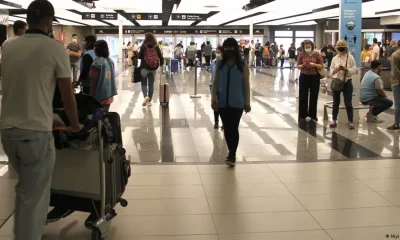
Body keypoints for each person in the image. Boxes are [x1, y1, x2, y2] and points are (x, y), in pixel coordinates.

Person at [0, 1, 82, 239]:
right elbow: (68, 96)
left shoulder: (9, 45)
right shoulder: (55, 48)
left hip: (7, 133)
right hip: (35, 134)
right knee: (34, 199)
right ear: (49, 22)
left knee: (26, 191)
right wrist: (75, 125)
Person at [211, 38, 251, 166]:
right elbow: (215, 82)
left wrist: (247, 102)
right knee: (227, 128)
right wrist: (213, 99)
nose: (229, 49)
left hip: (237, 102)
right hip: (222, 101)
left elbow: (246, 85)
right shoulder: (219, 64)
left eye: (231, 47)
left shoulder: (242, 64)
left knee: (233, 127)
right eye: (226, 47)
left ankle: (232, 153)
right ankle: (231, 151)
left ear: (236, 48)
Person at [329, 40, 357, 130]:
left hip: (347, 82)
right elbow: (331, 71)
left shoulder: (351, 57)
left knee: (348, 103)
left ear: (346, 47)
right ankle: (334, 120)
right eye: (339, 45)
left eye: (342, 45)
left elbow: (354, 69)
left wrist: (346, 69)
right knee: (335, 102)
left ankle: (351, 121)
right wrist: (336, 70)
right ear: (336, 47)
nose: (341, 47)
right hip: (337, 81)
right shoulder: (335, 58)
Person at [297, 39, 324, 122]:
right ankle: (302, 114)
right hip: (304, 76)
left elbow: (321, 66)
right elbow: (298, 66)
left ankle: (313, 115)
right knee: (303, 95)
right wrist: (303, 65)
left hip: (314, 77)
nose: (307, 48)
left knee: (314, 96)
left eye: (309, 47)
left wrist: (314, 65)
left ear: (312, 46)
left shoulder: (316, 54)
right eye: (306, 47)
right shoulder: (301, 54)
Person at [89, 40, 117, 112]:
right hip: (109, 95)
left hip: (99, 96)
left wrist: (90, 95)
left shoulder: (97, 63)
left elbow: (94, 81)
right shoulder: (110, 61)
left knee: (98, 117)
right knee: (105, 115)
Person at [139, 32, 164, 107]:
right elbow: (160, 56)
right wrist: (161, 65)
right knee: (151, 85)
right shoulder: (156, 46)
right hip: (153, 68)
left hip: (144, 68)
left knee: (143, 84)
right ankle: (149, 101)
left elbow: (140, 56)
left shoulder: (143, 46)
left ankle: (145, 97)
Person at [209, 46, 224, 129]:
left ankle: (224, 122)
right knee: (215, 105)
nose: (217, 54)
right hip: (214, 86)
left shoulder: (225, 63)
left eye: (219, 52)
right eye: (217, 52)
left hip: (222, 86)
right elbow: (212, 74)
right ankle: (216, 122)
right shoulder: (213, 63)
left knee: (222, 106)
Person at [388, 41, 400, 130]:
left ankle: (396, 124)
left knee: (397, 104)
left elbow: (395, 70)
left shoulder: (395, 55)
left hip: (397, 82)